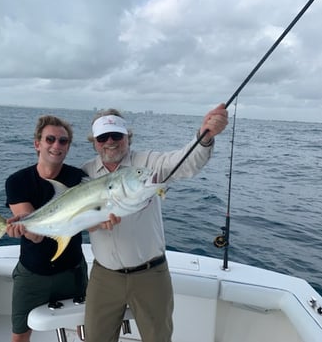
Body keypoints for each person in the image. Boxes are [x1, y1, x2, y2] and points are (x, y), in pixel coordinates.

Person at [82, 104, 228, 342]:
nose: (111, 141)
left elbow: (183, 162)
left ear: (127, 137)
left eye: (117, 135)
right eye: (103, 137)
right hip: (104, 276)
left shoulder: (147, 164)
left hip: (150, 275)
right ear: (94, 142)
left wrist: (205, 137)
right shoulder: (85, 173)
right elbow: (73, 217)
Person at [5, 115, 88, 342]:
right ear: (37, 144)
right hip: (32, 274)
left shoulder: (78, 178)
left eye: (63, 141)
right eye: (50, 139)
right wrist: (25, 228)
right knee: (19, 336)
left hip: (73, 272)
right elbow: (37, 235)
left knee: (86, 332)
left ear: (68, 147)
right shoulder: (17, 181)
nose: (56, 145)